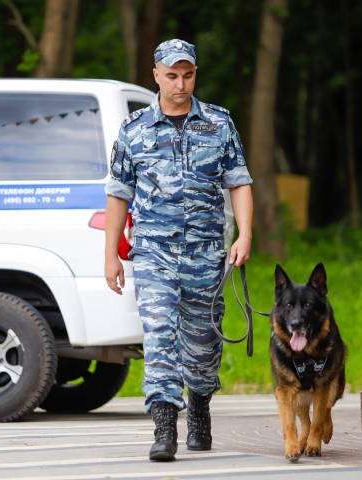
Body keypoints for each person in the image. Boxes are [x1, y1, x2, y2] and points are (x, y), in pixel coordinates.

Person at [104, 38, 254, 462]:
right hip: (153, 252)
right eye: (171, 75)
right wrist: (110, 253)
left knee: (203, 341)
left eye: (187, 75)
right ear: (155, 75)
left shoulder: (219, 124)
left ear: (195, 75)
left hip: (206, 253)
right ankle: (165, 424)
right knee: (159, 338)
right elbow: (118, 194)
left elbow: (239, 182)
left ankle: (201, 405)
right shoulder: (134, 129)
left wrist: (244, 235)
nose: (180, 84)